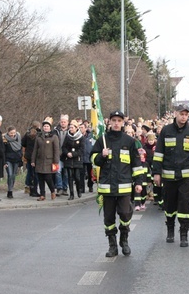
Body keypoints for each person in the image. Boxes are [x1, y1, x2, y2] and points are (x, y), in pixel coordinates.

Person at [90, 110, 144, 257]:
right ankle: (112, 245)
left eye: (119, 121)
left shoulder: (129, 141)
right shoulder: (102, 140)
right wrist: (102, 155)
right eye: (113, 120)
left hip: (124, 186)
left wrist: (139, 182)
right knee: (109, 218)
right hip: (107, 187)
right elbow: (93, 160)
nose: (116, 123)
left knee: (125, 214)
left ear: (123, 123)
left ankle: (124, 240)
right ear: (109, 122)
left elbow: (137, 164)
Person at [152, 104, 189, 248]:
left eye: (186, 114)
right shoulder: (166, 131)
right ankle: (170, 230)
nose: (183, 117)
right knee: (169, 205)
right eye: (181, 114)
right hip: (168, 177)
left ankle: (184, 234)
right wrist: (156, 173)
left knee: (184, 206)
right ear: (175, 114)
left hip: (186, 178)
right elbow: (159, 153)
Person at [31, 119, 60, 200]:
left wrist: (56, 161)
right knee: (40, 178)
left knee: (48, 178)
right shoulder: (39, 137)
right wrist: (33, 160)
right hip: (39, 161)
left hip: (49, 161)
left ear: (50, 128)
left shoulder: (54, 137)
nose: (46, 128)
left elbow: (56, 150)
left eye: (47, 126)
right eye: (44, 126)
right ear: (42, 127)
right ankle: (42, 195)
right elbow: (35, 149)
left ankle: (52, 191)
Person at [61, 121, 84, 200]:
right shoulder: (67, 136)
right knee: (70, 177)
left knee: (77, 177)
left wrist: (74, 154)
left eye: (72, 127)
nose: (70, 129)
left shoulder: (81, 137)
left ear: (76, 128)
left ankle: (79, 190)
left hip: (77, 159)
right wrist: (67, 153)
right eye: (70, 127)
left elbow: (81, 149)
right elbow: (63, 147)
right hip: (68, 159)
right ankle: (71, 194)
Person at [53, 114, 71, 195]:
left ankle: (65, 188)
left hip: (67, 155)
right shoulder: (55, 131)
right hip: (57, 155)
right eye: (62, 122)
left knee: (66, 172)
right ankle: (59, 187)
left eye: (64, 122)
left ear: (67, 122)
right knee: (57, 171)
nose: (63, 123)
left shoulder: (70, 131)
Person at [3, 126, 23, 199]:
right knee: (10, 174)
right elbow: (3, 151)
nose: (13, 134)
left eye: (14, 133)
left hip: (16, 159)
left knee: (14, 175)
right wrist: (4, 162)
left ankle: (11, 189)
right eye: (11, 133)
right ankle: (9, 190)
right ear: (8, 132)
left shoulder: (19, 137)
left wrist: (21, 159)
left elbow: (20, 149)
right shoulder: (5, 139)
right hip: (8, 159)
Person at [22, 121, 40, 197]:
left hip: (28, 155)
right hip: (36, 156)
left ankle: (29, 187)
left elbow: (23, 143)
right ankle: (34, 190)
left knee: (30, 172)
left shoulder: (27, 134)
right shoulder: (39, 134)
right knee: (36, 173)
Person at [80, 123, 95, 193]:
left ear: (85, 128)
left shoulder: (91, 136)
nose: (81, 129)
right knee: (81, 174)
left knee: (90, 174)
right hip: (81, 157)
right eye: (80, 127)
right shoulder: (79, 136)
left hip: (89, 157)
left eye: (82, 127)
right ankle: (81, 188)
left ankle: (90, 186)